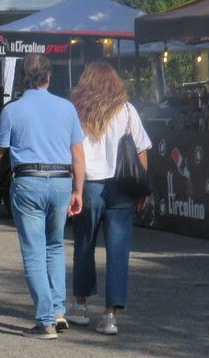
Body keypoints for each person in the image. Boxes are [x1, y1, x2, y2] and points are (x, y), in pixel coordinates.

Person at [0, 53, 85, 338]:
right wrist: (78, 190)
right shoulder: (67, 108)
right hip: (61, 180)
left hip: (28, 182)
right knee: (55, 246)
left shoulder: (13, 110)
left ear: (23, 78)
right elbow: (78, 154)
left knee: (34, 251)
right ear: (49, 76)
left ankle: (45, 321)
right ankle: (58, 310)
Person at [65, 62, 151, 336]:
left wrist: (73, 188)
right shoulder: (127, 111)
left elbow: (71, 152)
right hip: (122, 188)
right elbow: (141, 152)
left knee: (84, 245)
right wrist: (141, 190)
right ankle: (110, 315)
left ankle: (80, 306)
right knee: (118, 251)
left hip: (88, 185)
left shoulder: (77, 110)